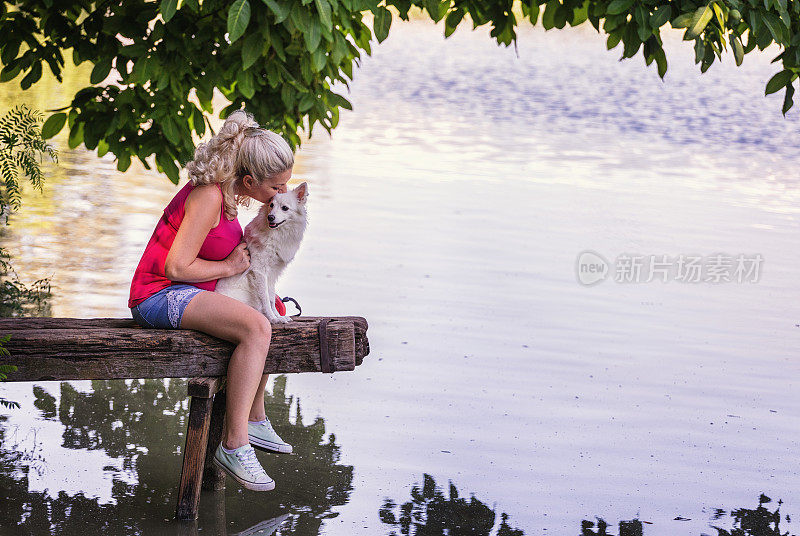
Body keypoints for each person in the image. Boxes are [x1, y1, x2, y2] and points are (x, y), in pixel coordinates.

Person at [127, 110, 294, 492]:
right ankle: (234, 444)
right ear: (250, 180)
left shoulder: (231, 197)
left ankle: (254, 416)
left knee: (272, 309)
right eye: (277, 187)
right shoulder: (209, 196)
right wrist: (230, 264)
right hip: (158, 295)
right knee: (256, 327)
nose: (281, 195)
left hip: (188, 293)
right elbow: (176, 265)